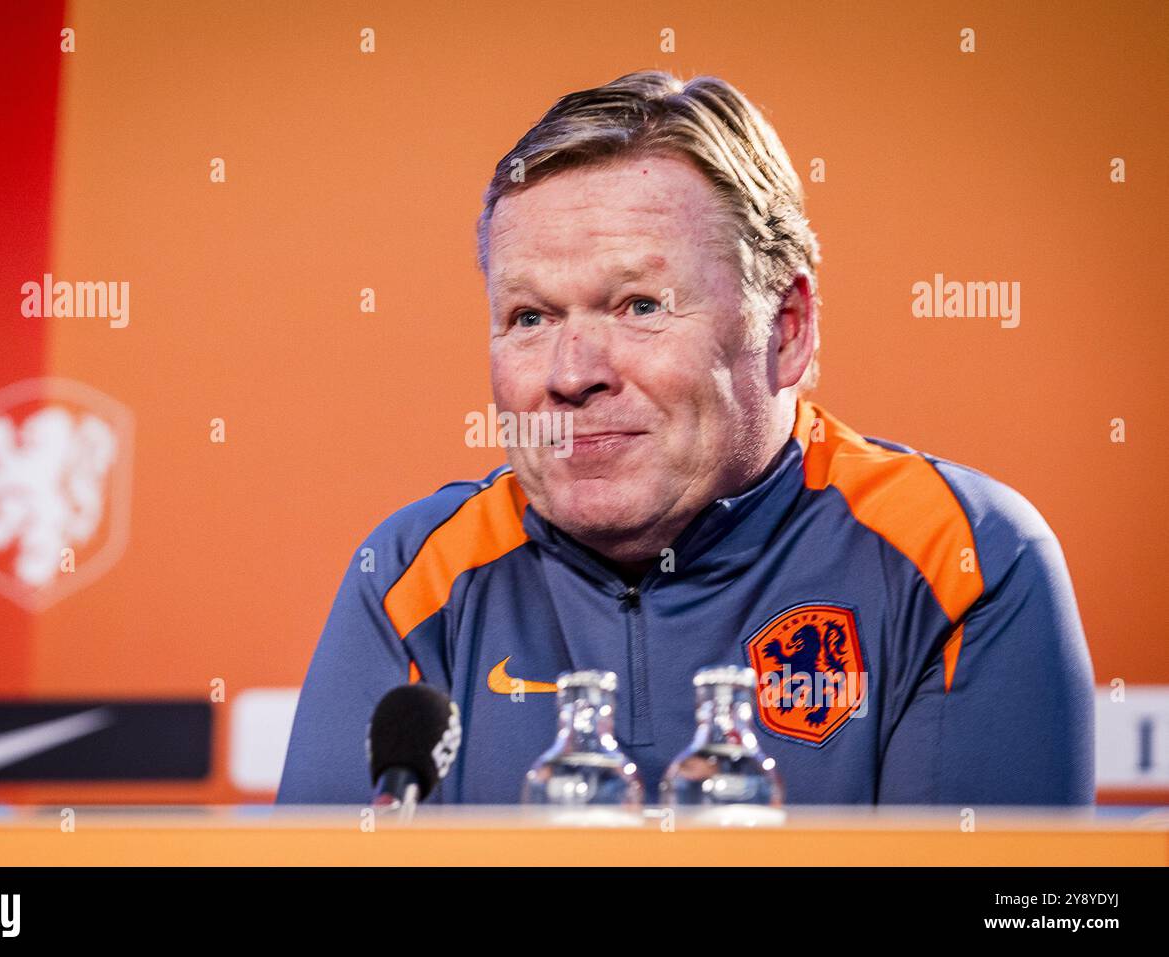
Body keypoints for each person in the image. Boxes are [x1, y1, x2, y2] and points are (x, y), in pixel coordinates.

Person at [277, 70, 1094, 805]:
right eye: (530, 317)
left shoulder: (962, 557)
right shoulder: (414, 578)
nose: (572, 373)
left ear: (788, 329)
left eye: (640, 305)